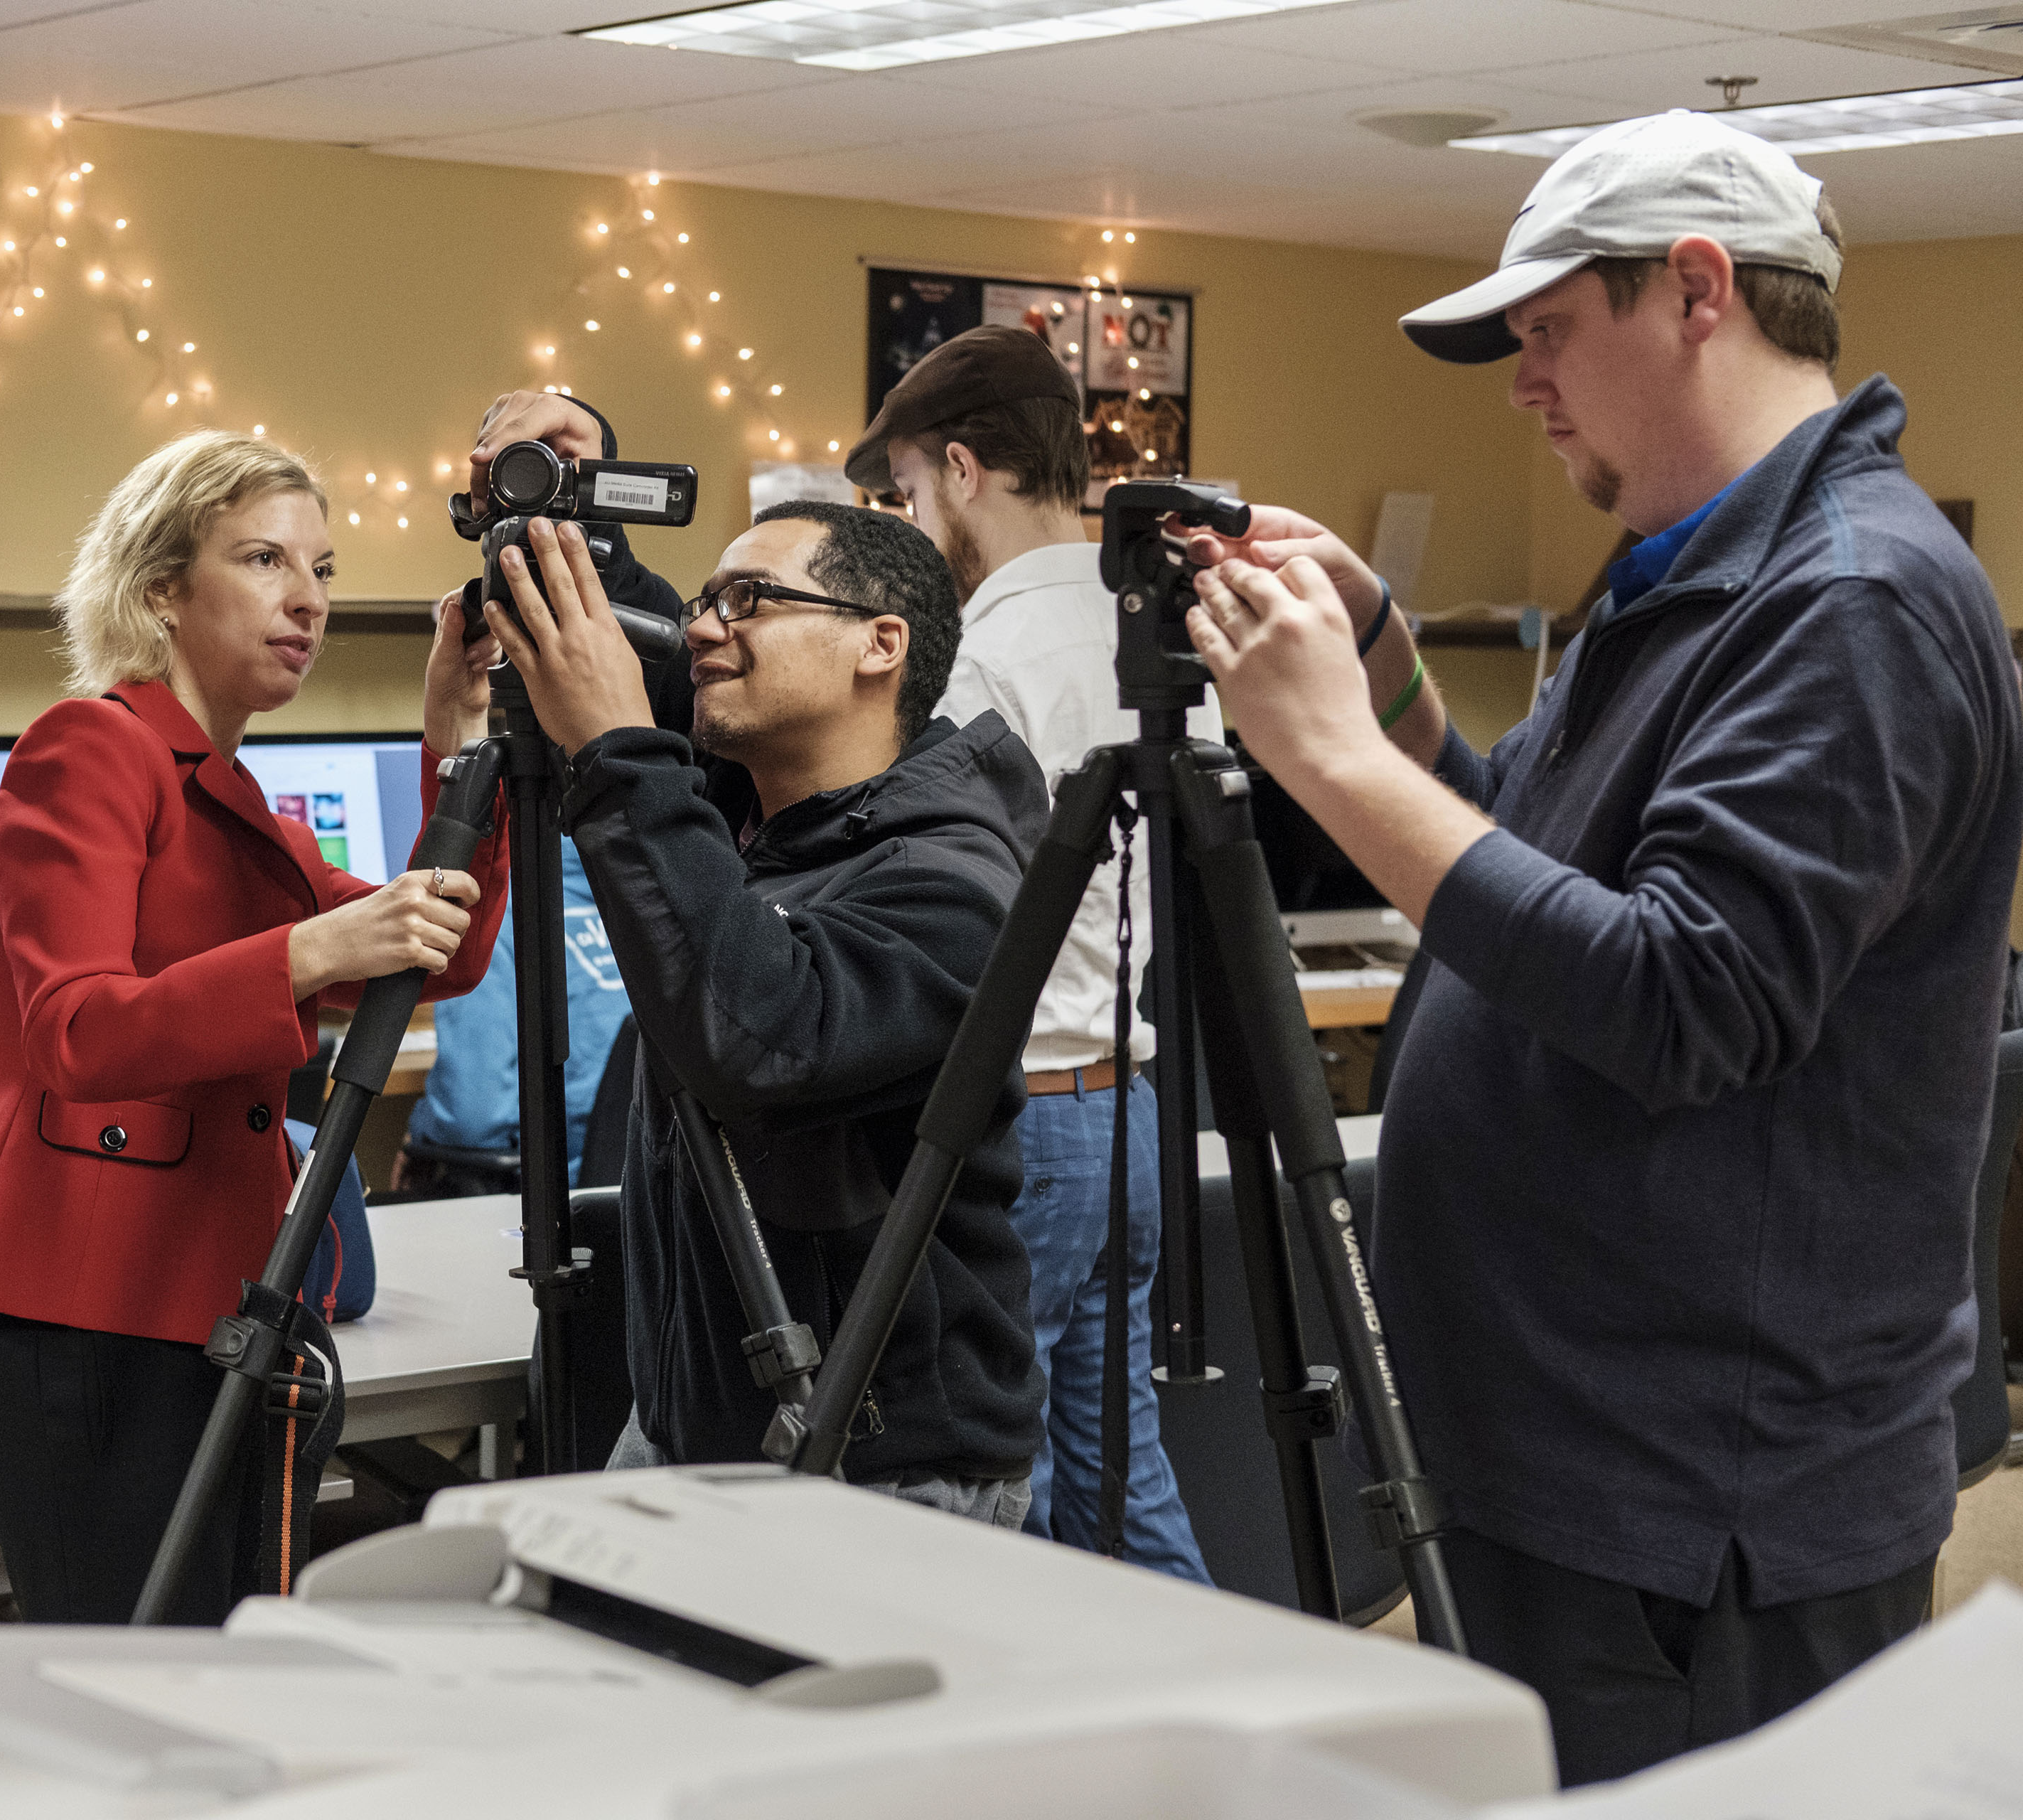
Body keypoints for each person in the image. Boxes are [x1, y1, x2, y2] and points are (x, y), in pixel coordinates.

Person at [1178, 111, 2022, 1783]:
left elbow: (1676, 996)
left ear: (1695, 289)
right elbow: (1542, 885)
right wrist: (1386, 676)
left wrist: (1330, 764)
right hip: (1582, 1452)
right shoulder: (1689, 573)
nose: (1518, 378)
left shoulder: (1845, 599)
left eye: (1550, 326)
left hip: (1700, 1496)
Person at [0, 430, 511, 1624]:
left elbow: (435, 961)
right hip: (89, 1317)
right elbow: (74, 1035)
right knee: (129, 1680)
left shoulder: (239, 801)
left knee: (218, 1667)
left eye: (325, 569)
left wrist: (457, 745)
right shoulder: (88, 747)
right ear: (159, 589)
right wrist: (308, 952)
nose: (308, 600)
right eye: (263, 560)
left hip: (216, 1307)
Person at [480, 499, 1048, 1523]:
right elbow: (669, 690)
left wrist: (613, 740)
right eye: (705, 602)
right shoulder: (769, 829)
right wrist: (577, 537)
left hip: (881, 1470)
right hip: (689, 1429)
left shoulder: (953, 885)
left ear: (882, 643)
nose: (705, 628)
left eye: (748, 601)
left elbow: (760, 1033)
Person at [847, 323, 1213, 1579]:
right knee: (1128, 1484)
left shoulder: (984, 661)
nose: (905, 521)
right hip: (1125, 1116)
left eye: (903, 492)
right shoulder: (1155, 632)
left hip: (1029, 1124)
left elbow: (951, 912)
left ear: (961, 470)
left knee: (1010, 1512)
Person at [395, 826, 629, 1199]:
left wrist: (419, 1136)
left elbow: (471, 1121)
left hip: (550, 1207)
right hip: (647, 1201)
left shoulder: (489, 920)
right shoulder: (641, 900)